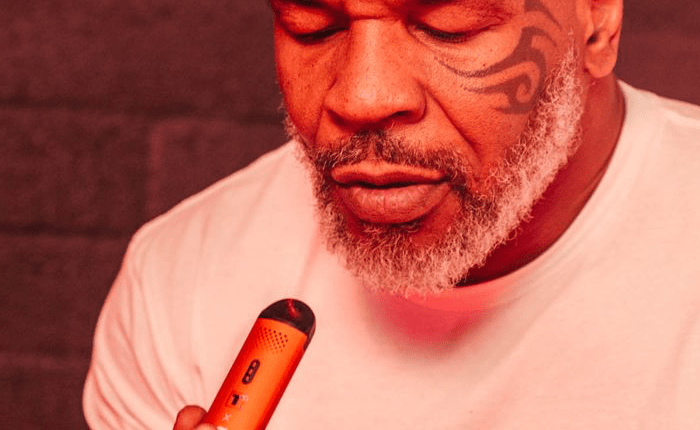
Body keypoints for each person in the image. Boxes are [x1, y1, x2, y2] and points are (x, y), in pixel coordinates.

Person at [83, 0, 700, 428]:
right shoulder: (177, 283)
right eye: (311, 28)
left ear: (597, 21)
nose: (363, 97)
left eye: (449, 27)